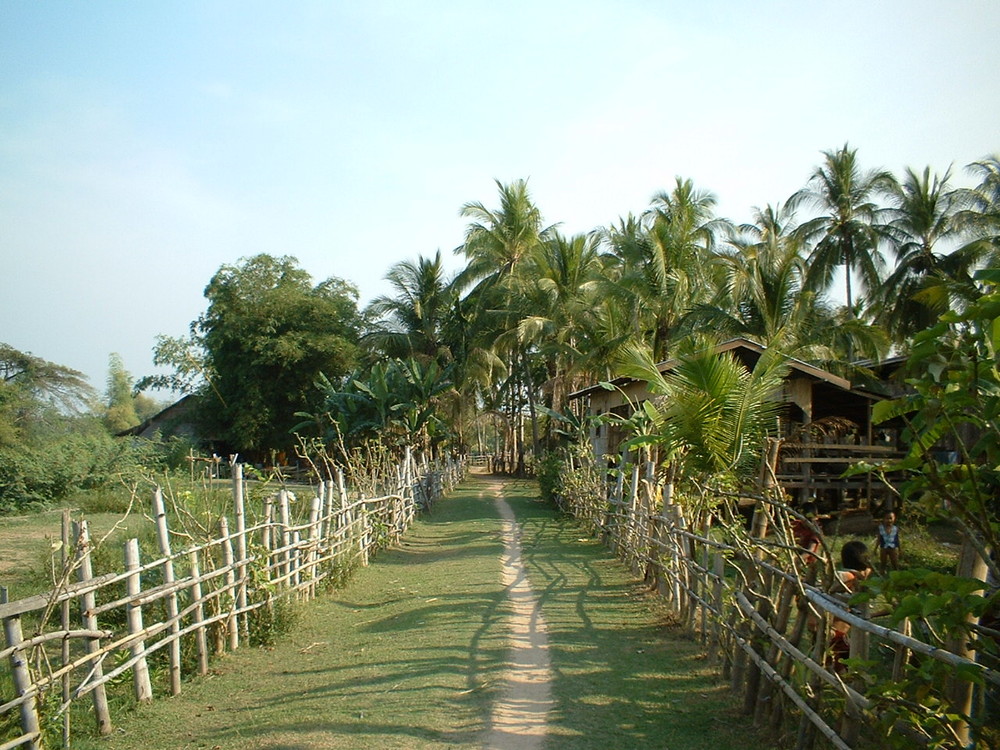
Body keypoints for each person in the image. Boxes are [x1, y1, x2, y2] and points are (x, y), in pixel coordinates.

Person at [829, 540, 873, 671]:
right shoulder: (848, 576)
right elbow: (833, 586)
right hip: (836, 633)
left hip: (833, 631)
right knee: (844, 668)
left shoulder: (849, 576)